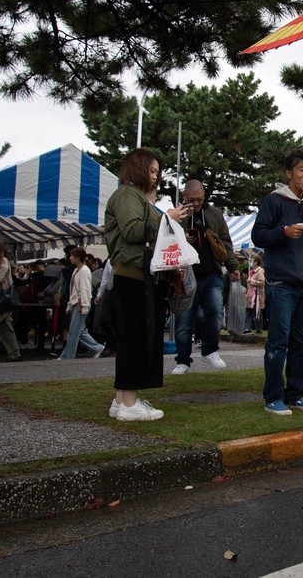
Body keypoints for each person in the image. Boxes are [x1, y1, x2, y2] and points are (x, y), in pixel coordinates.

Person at [104, 148, 188, 421]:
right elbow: (132, 230)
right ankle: (129, 404)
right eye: (151, 171)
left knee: (135, 336)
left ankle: (122, 400)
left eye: (157, 172)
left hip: (139, 274)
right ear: (138, 169)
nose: (155, 177)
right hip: (133, 275)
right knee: (135, 338)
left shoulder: (134, 196)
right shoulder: (127, 194)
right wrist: (167, 218)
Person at [252, 146, 303, 415]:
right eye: (302, 170)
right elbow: (259, 235)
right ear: (289, 173)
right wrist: (284, 232)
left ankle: (295, 394)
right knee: (278, 342)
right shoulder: (274, 200)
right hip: (280, 282)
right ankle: (273, 397)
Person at [171, 179, 232, 375]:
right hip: (186, 275)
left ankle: (210, 350)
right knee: (184, 319)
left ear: (204, 196)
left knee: (216, 310)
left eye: (199, 199)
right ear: (184, 197)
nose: (195, 204)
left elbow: (225, 241)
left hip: (211, 272)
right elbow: (166, 240)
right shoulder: (176, 215)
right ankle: (183, 361)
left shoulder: (214, 214)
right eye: (191, 200)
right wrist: (181, 238)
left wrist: (232, 266)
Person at [57, 248, 105, 360]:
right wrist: (70, 305)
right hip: (78, 303)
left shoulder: (84, 271)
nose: (70, 258)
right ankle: (96, 347)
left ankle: (68, 355)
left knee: (74, 331)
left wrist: (83, 305)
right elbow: (74, 290)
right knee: (77, 330)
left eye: (72, 256)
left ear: (77, 257)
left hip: (80, 303)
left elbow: (85, 290)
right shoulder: (77, 270)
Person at [244, 255, 265, 334]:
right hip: (250, 295)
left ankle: (258, 328)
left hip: (257, 295)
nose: (250, 263)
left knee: (257, 312)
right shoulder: (251, 272)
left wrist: (251, 281)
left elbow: (262, 282)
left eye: (252, 261)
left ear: (256, 262)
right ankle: (247, 328)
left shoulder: (259, 272)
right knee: (248, 311)